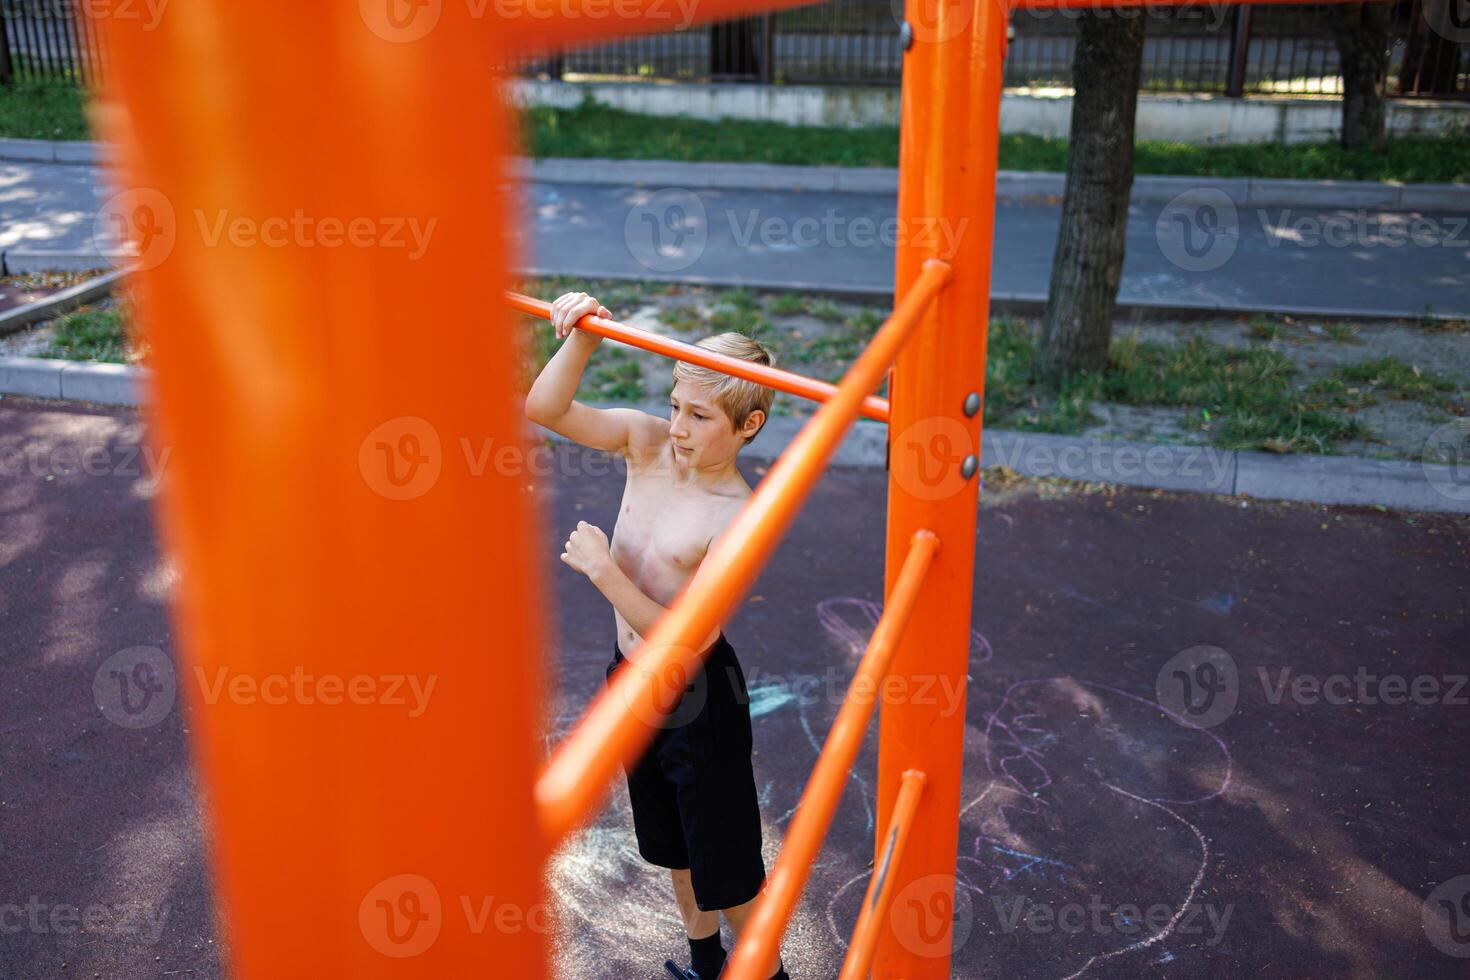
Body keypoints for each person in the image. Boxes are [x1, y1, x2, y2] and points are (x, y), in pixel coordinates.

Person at [526, 291, 790, 980]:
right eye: (675, 404)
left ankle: (770, 976)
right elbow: (544, 410)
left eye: (699, 416)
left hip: (697, 697)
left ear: (747, 425)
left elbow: (686, 636)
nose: (677, 425)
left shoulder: (736, 513)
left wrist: (604, 573)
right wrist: (584, 333)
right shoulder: (645, 445)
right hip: (630, 675)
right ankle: (708, 967)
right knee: (671, 847)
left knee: (726, 872)